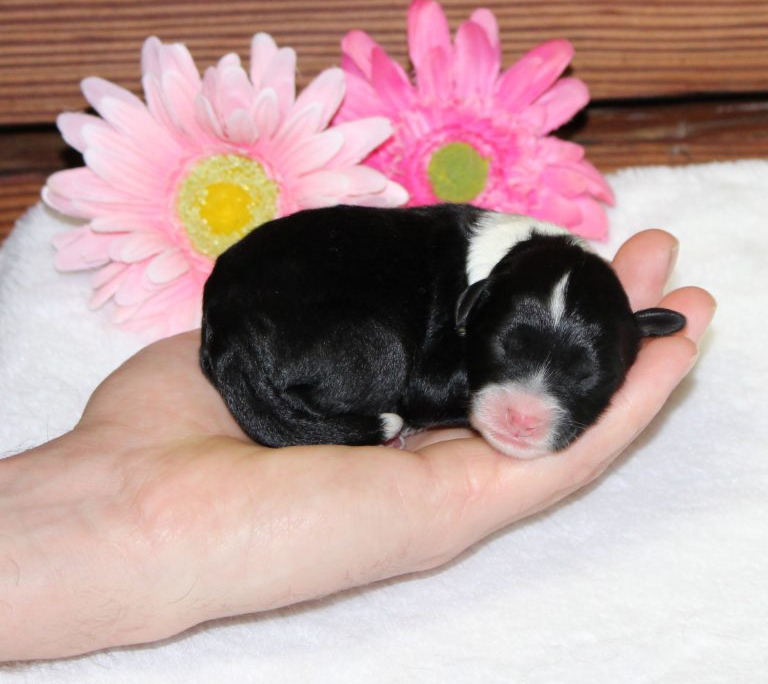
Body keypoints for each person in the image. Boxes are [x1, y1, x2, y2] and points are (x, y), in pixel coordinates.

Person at [0, 230, 714, 663]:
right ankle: (321, 406)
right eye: (506, 355)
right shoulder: (466, 280)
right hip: (304, 317)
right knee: (381, 365)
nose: (527, 413)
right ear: (476, 309)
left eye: (581, 377)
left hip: (274, 312)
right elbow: (428, 373)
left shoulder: (494, 282)